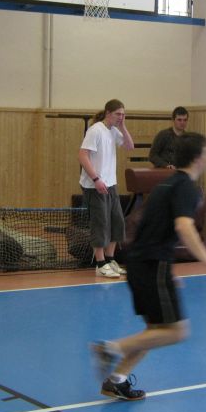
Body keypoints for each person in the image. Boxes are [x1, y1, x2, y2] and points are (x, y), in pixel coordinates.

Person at [90, 133, 206, 401]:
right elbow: (184, 226)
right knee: (176, 332)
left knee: (154, 331)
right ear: (199, 158)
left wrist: (167, 271)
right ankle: (109, 349)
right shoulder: (186, 187)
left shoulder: (164, 185)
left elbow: (151, 231)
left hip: (142, 264)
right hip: (151, 265)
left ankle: (116, 380)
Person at [78, 99, 135, 279]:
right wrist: (96, 179)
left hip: (111, 184)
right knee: (100, 223)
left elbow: (130, 146)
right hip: (95, 185)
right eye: (118, 114)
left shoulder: (114, 131)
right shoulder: (96, 130)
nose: (121, 117)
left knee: (117, 222)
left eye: (123, 114)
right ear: (108, 113)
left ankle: (110, 260)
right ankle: (100, 263)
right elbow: (83, 155)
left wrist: (123, 126)